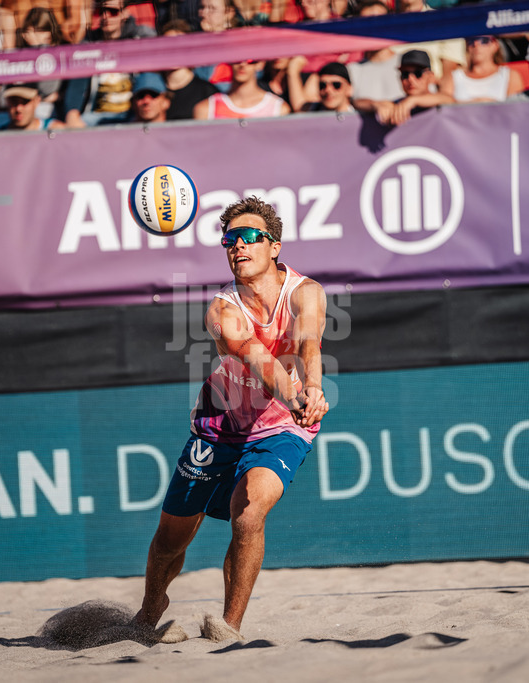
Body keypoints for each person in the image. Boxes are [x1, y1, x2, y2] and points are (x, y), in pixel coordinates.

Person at [133, 195, 330, 640]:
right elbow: (259, 359)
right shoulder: (222, 310)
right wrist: (298, 394)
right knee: (171, 538)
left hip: (280, 426)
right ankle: (149, 613)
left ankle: (228, 626)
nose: (237, 246)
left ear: (274, 246)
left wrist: (312, 389)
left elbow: (308, 342)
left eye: (248, 237)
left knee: (249, 512)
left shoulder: (306, 291)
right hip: (219, 423)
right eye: (229, 239)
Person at [62, 0, 156, 127]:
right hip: (95, 116)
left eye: (113, 12)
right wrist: (72, 113)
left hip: (132, 114)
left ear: (125, 14)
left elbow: (151, 80)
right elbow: (77, 83)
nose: (106, 17)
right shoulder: (89, 44)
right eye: (101, 12)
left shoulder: (141, 38)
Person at [353, 49, 453, 126]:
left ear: (431, 77)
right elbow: (357, 102)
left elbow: (449, 99)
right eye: (405, 74)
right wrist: (375, 105)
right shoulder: (398, 104)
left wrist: (413, 101)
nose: (410, 79)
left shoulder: (438, 100)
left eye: (418, 74)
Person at [157, 20, 219, 120]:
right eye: (167, 45)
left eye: (179, 46)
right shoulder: (152, 94)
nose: (173, 51)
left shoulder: (207, 92)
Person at [346, 0, 404, 103]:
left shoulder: (408, 64)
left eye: (380, 21)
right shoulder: (351, 71)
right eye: (367, 23)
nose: (374, 28)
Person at [194, 59, 290, 119]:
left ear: (260, 64)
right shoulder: (206, 109)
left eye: (250, 60)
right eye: (237, 58)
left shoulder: (279, 109)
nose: (243, 64)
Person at [440, 35, 522, 103]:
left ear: (495, 45)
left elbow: (514, 111)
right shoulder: (454, 76)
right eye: (471, 41)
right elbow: (444, 107)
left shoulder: (509, 75)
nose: (476, 44)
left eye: (484, 41)